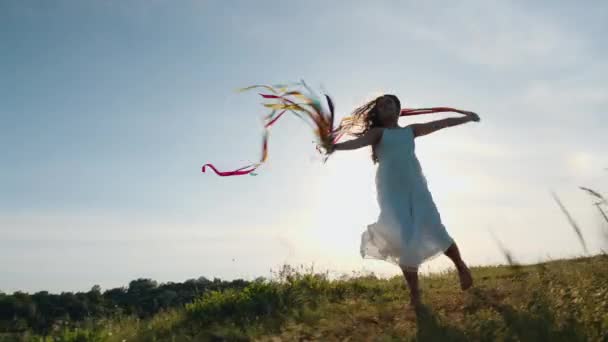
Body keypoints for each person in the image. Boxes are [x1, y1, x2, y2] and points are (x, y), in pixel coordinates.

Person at [328, 94, 480, 308]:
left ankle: (461, 266)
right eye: (381, 106)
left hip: (416, 185)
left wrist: (467, 118)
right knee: (404, 236)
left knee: (434, 226)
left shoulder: (411, 130)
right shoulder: (377, 133)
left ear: (398, 108)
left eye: (390, 103)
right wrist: (335, 147)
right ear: (378, 114)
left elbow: (441, 123)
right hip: (391, 189)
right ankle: (415, 293)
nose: (386, 107)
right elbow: (357, 142)